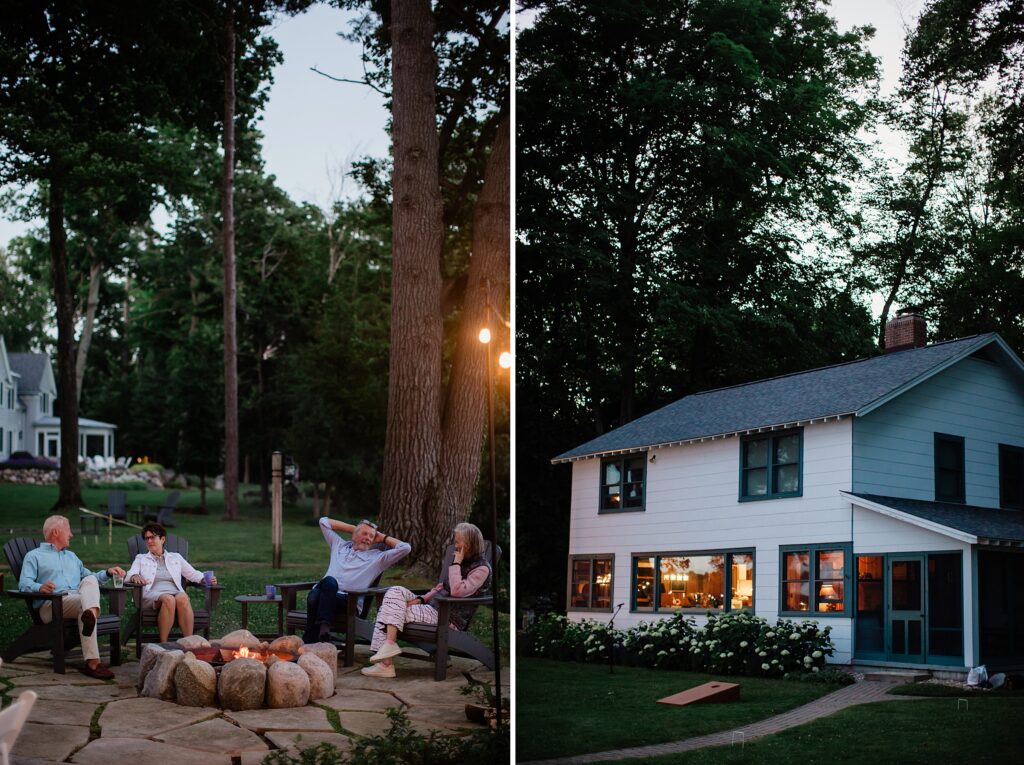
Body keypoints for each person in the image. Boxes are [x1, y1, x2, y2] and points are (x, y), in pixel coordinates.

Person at [362, 521, 491, 678]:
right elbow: (440, 587)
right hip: (431, 608)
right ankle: (388, 648)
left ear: (469, 543)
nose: (455, 544)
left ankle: (386, 664)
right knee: (394, 591)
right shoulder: (461, 560)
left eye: (457, 541)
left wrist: (456, 563)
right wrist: (421, 599)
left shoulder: (481, 568)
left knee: (386, 610)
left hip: (446, 616)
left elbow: (457, 591)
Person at [18, 515, 126, 679]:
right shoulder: (34, 556)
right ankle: (93, 660)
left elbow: (91, 579)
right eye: (68, 530)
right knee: (86, 604)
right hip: (51, 605)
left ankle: (90, 621)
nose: (71, 534)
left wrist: (107, 572)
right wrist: (40, 587)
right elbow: (24, 583)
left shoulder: (72, 557)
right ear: (56, 531)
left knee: (89, 581)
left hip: (77, 600)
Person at [304, 517, 411, 643]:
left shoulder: (377, 558)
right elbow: (323, 522)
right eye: (364, 534)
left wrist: (382, 538)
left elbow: (405, 548)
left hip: (348, 601)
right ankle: (322, 631)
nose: (368, 538)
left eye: (371, 536)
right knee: (324, 587)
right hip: (326, 593)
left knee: (315, 595)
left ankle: (312, 636)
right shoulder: (339, 545)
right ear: (353, 535)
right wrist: (353, 529)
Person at [125, 522, 216, 642]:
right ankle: (164, 643)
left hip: (174, 594)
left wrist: (205, 578)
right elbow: (129, 575)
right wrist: (134, 576)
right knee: (169, 599)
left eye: (153, 537)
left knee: (182, 597)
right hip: (150, 595)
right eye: (147, 538)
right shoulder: (141, 558)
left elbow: (192, 573)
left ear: (162, 539)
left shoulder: (176, 557)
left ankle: (188, 642)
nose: (149, 541)